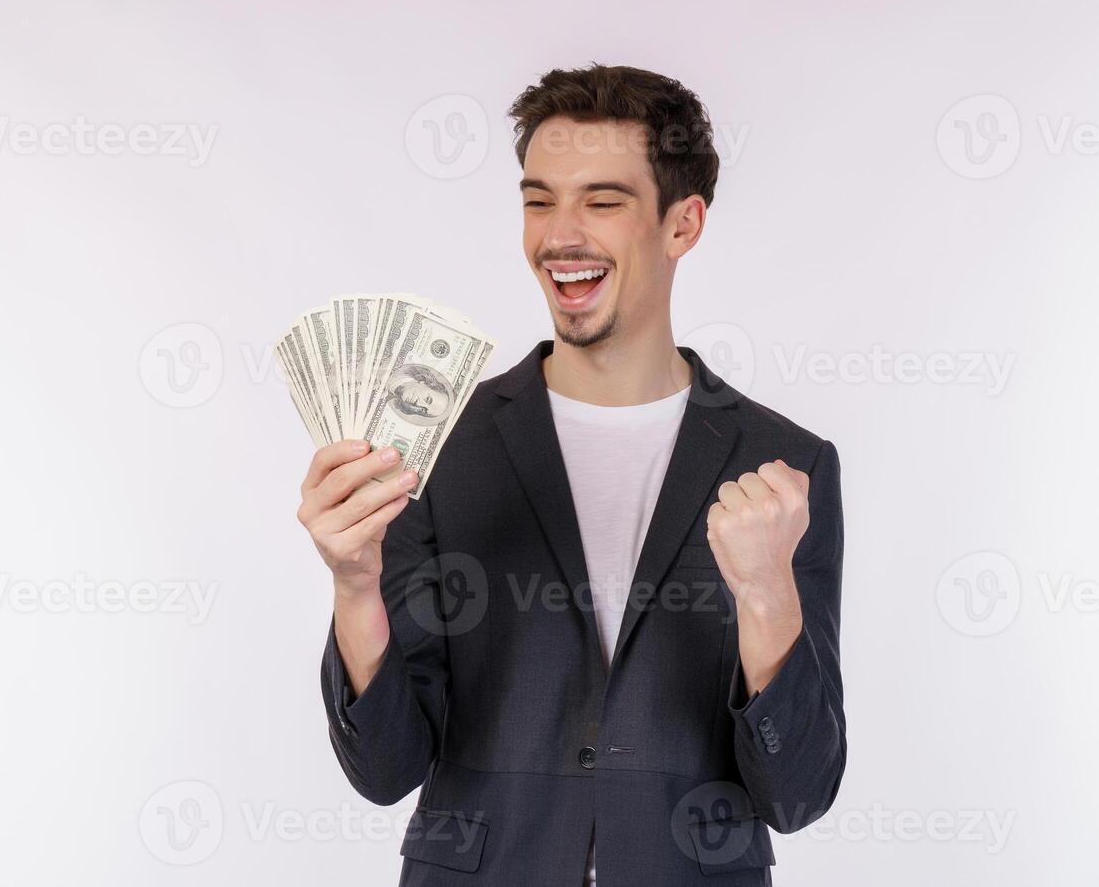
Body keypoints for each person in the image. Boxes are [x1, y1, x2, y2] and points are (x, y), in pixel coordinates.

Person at [297, 64, 846, 885]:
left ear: (682, 224)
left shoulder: (785, 465)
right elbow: (384, 770)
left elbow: (797, 792)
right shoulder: (436, 444)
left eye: (603, 200)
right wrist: (352, 587)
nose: (559, 235)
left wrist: (768, 594)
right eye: (539, 199)